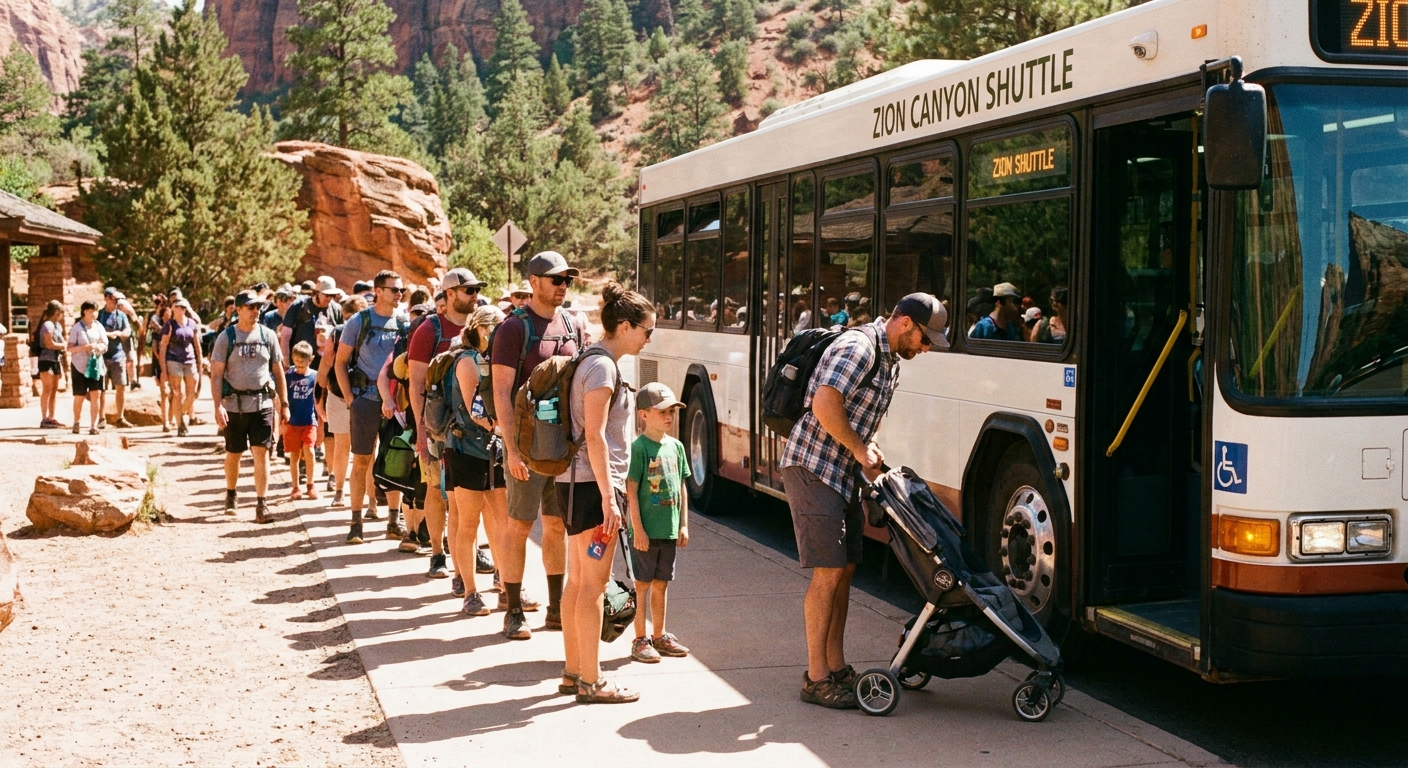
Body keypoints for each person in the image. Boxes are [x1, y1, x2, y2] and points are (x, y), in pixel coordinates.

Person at [779, 292, 947, 709]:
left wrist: (869, 453)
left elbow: (858, 414)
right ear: (905, 323)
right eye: (925, 340)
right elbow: (823, 402)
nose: (926, 350)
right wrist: (857, 448)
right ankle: (815, 678)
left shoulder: (889, 360)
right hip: (813, 466)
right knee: (828, 573)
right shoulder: (858, 347)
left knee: (846, 570)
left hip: (842, 473)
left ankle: (835, 667)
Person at [557, 282, 652, 705]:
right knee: (592, 586)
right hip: (594, 486)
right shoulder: (603, 367)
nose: (650, 338)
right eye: (647, 330)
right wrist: (610, 497)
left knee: (578, 581)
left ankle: (574, 671)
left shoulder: (592, 360)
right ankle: (592, 682)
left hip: (576, 483)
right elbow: (594, 434)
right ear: (626, 326)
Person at [491, 251, 584, 640]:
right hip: (526, 450)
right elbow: (500, 390)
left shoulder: (573, 324)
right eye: (555, 279)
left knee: (557, 527)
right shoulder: (514, 329)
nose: (562, 285)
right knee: (518, 526)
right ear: (533, 282)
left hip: (561, 449)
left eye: (567, 280)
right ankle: (513, 610)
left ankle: (557, 608)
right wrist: (511, 450)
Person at [408, 268, 482, 578]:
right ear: (449, 294)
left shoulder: (483, 327)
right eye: (468, 290)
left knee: (474, 496)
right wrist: (422, 434)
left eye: (476, 290)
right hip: (439, 427)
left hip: (475, 429)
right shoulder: (429, 330)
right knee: (437, 491)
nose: (474, 295)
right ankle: (438, 553)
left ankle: (471, 552)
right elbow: (416, 385)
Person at [443, 306, 509, 616]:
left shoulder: (489, 359)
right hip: (466, 450)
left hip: (492, 450)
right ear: (483, 330)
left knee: (503, 522)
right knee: (469, 523)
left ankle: (509, 587)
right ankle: (471, 591)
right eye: (498, 329)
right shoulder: (467, 361)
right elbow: (476, 411)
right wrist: (505, 428)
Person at [335, 270, 408, 544]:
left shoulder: (403, 323)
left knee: (396, 459)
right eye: (393, 289)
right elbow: (340, 362)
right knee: (362, 460)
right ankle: (356, 523)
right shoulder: (359, 321)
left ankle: (393, 520)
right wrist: (350, 398)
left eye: (400, 290)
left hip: (396, 402)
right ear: (378, 291)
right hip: (365, 400)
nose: (398, 294)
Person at [625, 382, 691, 664]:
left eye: (672, 412)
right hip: (646, 532)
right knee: (643, 584)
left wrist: (683, 524)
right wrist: (637, 529)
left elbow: (681, 486)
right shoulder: (639, 449)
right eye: (662, 411)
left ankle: (660, 634)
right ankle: (640, 638)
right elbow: (631, 489)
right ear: (643, 415)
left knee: (662, 582)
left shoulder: (676, 447)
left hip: (668, 529)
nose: (669, 417)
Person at [210, 291, 289, 523]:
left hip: (262, 403)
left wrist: (284, 404)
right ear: (238, 309)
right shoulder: (227, 337)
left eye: (258, 307)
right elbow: (216, 375)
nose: (256, 311)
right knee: (234, 453)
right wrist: (218, 406)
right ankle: (231, 494)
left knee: (261, 453)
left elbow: (278, 371)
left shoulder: (268, 336)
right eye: (250, 307)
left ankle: (261, 504)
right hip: (234, 405)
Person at [318, 295, 366, 508]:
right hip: (366, 394)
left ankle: (339, 491)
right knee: (367, 450)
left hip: (337, 393)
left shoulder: (337, 333)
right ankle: (369, 499)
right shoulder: (370, 331)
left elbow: (325, 365)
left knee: (342, 445)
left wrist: (318, 398)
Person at [160, 299, 203, 437]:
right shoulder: (170, 325)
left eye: (182, 308)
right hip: (173, 359)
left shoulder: (192, 323)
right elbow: (163, 346)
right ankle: (180, 424)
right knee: (177, 392)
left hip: (189, 359)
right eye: (177, 307)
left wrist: (200, 361)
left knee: (192, 391)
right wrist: (163, 369)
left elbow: (196, 344)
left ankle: (180, 413)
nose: (179, 310)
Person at [281, 276, 344, 369]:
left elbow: (340, 338)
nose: (329, 298)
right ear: (317, 292)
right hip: (301, 363)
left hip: (325, 363)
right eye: (327, 295)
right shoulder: (300, 306)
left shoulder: (336, 309)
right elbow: (285, 336)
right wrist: (286, 361)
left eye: (332, 295)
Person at [285, 341, 320, 500]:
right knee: (294, 455)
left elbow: (318, 400)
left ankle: (311, 484)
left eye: (303, 360)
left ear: (310, 359)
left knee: (310, 451)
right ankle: (295, 486)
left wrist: (321, 420)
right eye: (296, 359)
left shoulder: (314, 376)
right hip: (292, 421)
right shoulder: (288, 376)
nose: (299, 363)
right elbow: (283, 397)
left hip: (309, 420)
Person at [68, 301, 108, 436]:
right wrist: (84, 348)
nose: (93, 314)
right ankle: (76, 421)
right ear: (84, 311)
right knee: (79, 395)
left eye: (95, 311)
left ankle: (93, 425)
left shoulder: (99, 326)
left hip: (95, 365)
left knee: (95, 394)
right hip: (79, 365)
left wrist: (99, 347)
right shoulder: (77, 328)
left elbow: (105, 344)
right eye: (91, 311)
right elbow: (70, 348)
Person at [98, 289, 134, 428]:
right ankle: (101, 417)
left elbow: (128, 331)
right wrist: (107, 335)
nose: (116, 302)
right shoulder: (100, 314)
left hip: (118, 354)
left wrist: (119, 333)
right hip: (102, 355)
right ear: (106, 298)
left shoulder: (121, 315)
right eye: (114, 299)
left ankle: (120, 417)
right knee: (102, 388)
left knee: (121, 386)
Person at [34, 300, 65, 428]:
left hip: (56, 360)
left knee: (54, 390)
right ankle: (44, 418)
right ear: (57, 312)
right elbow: (49, 344)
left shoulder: (58, 326)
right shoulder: (47, 325)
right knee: (47, 389)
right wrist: (64, 345)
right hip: (46, 360)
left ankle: (51, 417)